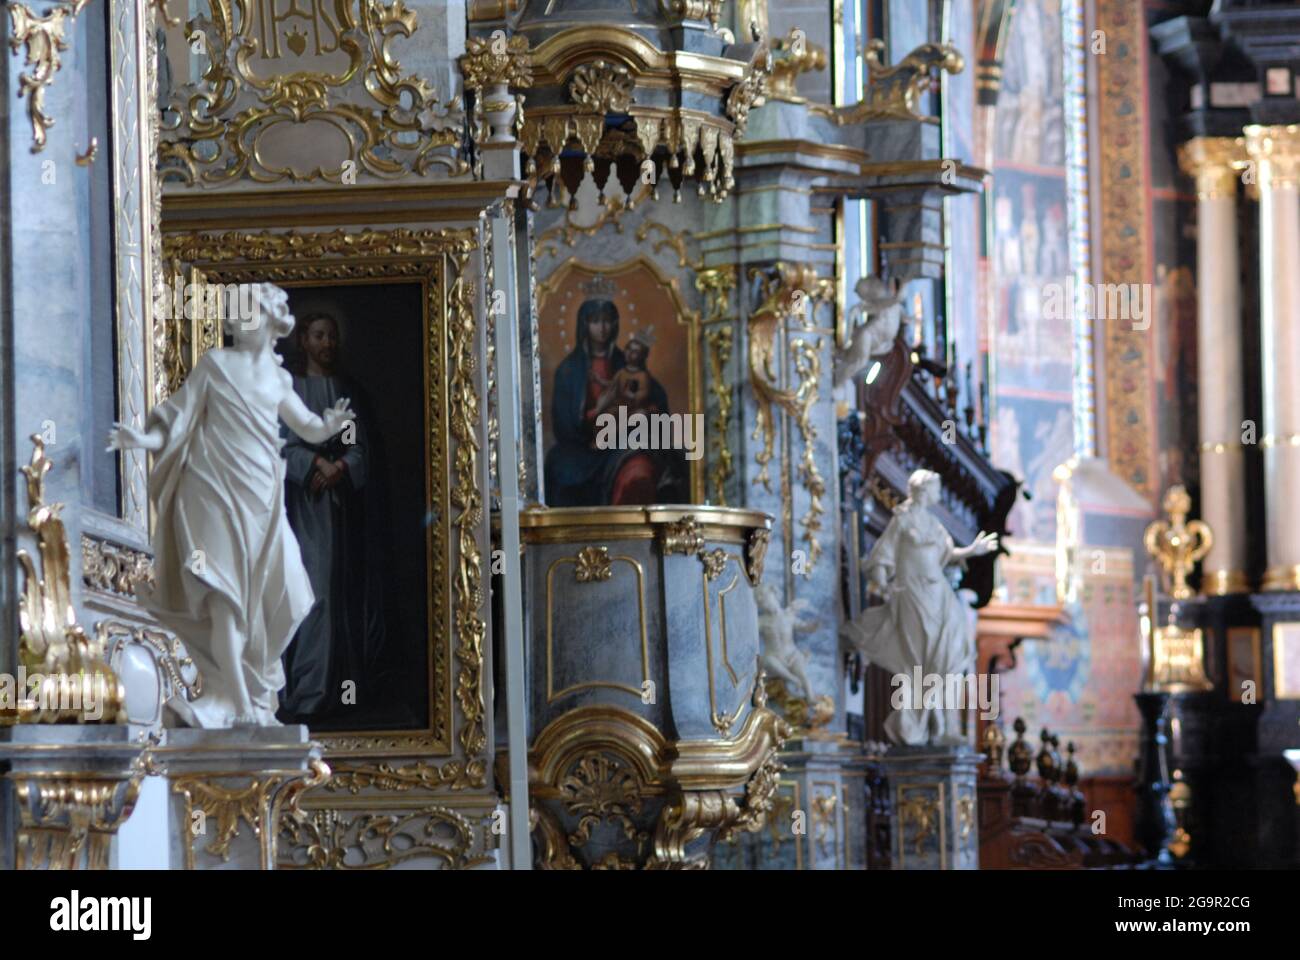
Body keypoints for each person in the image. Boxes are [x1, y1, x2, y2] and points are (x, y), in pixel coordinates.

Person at [108, 283, 353, 728]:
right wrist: (143, 439)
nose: (240, 322)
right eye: (236, 314)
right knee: (224, 597)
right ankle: (239, 704)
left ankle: (241, 695)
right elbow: (179, 420)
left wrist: (329, 426)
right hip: (214, 494)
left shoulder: (278, 380)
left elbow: (307, 425)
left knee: (291, 595)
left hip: (263, 499)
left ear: (274, 323)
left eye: (251, 314)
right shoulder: (215, 365)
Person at [278, 311, 391, 725]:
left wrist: (339, 467)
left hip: (335, 511)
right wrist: (312, 465)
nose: (328, 344)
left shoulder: (345, 391)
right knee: (306, 592)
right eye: (319, 336)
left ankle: (330, 692)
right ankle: (303, 692)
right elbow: (276, 445)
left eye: (332, 337)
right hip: (296, 508)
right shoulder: (286, 390)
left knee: (332, 593)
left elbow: (356, 447)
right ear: (303, 340)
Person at [840, 468, 999, 745]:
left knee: (950, 657)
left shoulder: (934, 523)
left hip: (939, 594)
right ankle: (918, 724)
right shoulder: (902, 520)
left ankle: (944, 726)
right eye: (936, 488)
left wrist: (972, 550)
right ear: (924, 490)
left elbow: (947, 555)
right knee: (920, 660)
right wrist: (886, 587)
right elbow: (881, 558)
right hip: (913, 595)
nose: (939, 493)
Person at [545, 298, 683, 505]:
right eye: (595, 321)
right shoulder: (569, 370)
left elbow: (653, 398)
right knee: (559, 468)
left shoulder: (626, 363)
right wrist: (591, 424)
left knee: (641, 470)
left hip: (622, 442)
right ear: (584, 325)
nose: (602, 328)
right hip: (582, 447)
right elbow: (563, 424)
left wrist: (643, 412)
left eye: (608, 321)